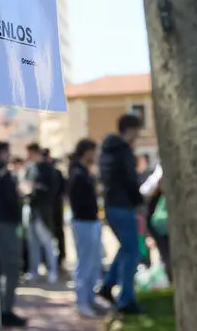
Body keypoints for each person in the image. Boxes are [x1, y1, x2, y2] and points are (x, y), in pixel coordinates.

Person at [97, 113, 145, 314]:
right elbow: (130, 181)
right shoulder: (124, 152)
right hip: (123, 205)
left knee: (125, 248)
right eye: (137, 131)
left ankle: (108, 286)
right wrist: (139, 202)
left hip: (110, 205)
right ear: (131, 130)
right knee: (133, 252)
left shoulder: (107, 150)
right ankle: (126, 300)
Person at [67, 139, 104, 318]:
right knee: (85, 263)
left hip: (90, 221)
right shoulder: (77, 173)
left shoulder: (84, 173)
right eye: (93, 152)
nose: (95, 156)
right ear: (86, 152)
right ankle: (82, 302)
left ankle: (90, 298)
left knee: (94, 262)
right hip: (83, 222)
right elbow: (78, 201)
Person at [0, 141, 27, 327]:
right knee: (12, 267)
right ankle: (5, 310)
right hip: (6, 224)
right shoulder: (3, 174)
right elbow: (11, 202)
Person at [22, 142, 58, 283]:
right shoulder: (30, 168)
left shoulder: (48, 169)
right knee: (32, 243)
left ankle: (52, 270)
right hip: (31, 209)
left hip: (43, 211)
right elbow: (25, 185)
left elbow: (52, 190)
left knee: (47, 242)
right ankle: (34, 270)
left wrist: (34, 189)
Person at [44, 148, 68, 270]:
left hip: (56, 207)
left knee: (58, 232)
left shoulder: (56, 172)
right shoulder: (50, 171)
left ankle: (60, 258)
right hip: (51, 207)